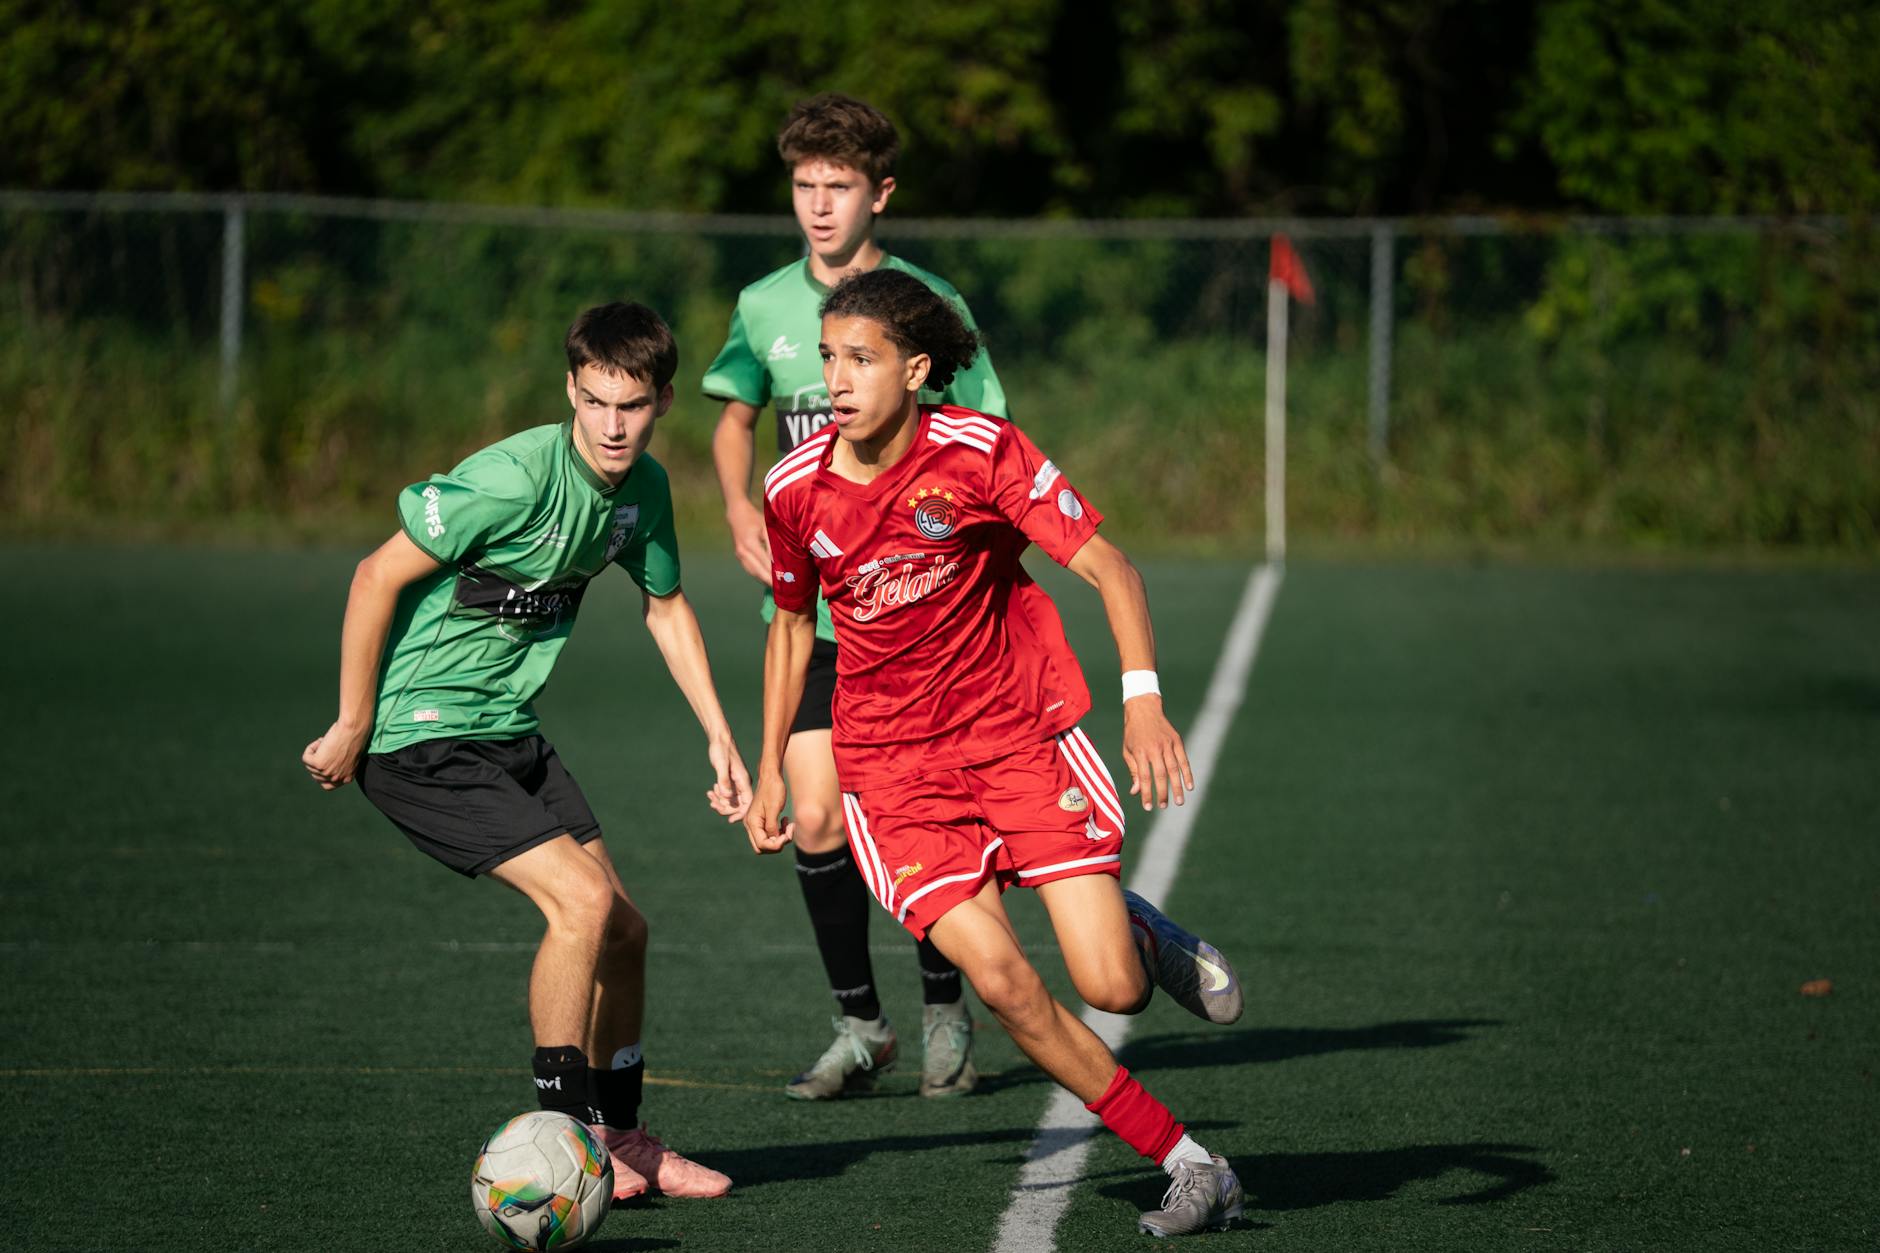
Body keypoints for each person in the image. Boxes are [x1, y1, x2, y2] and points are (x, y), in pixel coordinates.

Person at [745, 268, 1246, 1238]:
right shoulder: (794, 488)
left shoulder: (979, 451)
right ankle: (1192, 1163)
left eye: (860, 359)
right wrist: (771, 762)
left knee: (1109, 987)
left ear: (916, 367)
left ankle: (1139, 932)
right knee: (1006, 984)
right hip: (892, 776)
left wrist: (1141, 704)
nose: (835, 381)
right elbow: (789, 626)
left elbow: (1108, 565)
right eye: (827, 359)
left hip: (1013, 734)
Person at [302, 302, 750, 1203]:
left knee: (625, 929)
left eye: (630, 406)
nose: (611, 425)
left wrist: (719, 733)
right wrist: (354, 720)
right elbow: (375, 574)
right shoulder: (511, 478)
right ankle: (569, 1136)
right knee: (581, 903)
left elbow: (664, 607)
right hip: (421, 736)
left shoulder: (645, 491)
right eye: (593, 403)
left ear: (663, 398)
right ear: (572, 393)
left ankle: (623, 1137)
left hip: (509, 731)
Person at [703, 92, 1007, 1101]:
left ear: (880, 194)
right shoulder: (760, 306)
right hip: (812, 617)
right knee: (817, 819)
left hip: (921, 618)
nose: (819, 205)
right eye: (803, 186)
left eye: (839, 186)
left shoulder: (924, 300)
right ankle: (861, 1026)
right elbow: (735, 416)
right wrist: (742, 506)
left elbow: (986, 436)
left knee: (922, 821)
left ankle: (942, 1010)